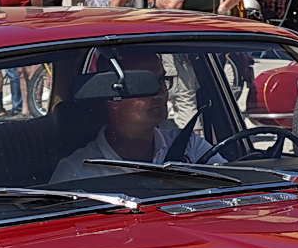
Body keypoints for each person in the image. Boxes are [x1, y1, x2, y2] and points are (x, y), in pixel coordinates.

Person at [51, 52, 214, 181]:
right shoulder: (78, 172)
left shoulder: (190, 147)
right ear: (112, 98)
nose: (161, 93)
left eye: (162, 80)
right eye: (144, 84)